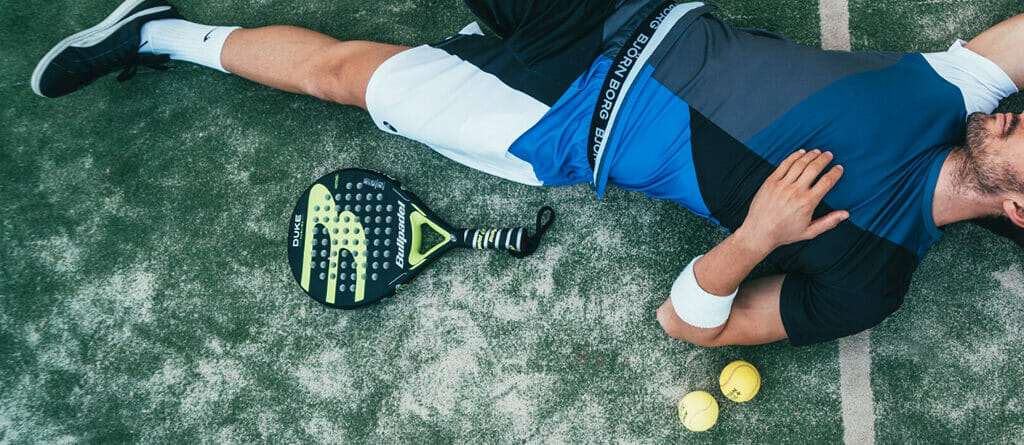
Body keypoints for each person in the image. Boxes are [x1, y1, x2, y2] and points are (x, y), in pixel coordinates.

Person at [32, 0, 1024, 347]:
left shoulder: (872, 275)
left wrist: (753, 239)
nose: (1018, 113)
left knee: (344, 75)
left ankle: (154, 33)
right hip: (623, 12)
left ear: (1015, 207)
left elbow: (682, 322)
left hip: (547, 126)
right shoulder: (957, 88)